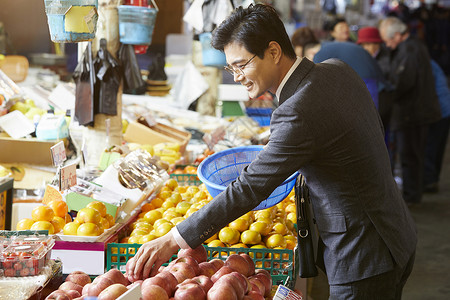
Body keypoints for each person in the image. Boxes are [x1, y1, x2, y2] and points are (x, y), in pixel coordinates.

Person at [127, 5, 417, 299]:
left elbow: (250, 188)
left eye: (241, 65)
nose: (237, 76)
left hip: (364, 257)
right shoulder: (336, 70)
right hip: (394, 230)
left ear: (274, 52)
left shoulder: (298, 109)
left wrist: (173, 239)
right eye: (231, 68)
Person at [379, 17, 441, 205]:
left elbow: (403, 82)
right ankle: (412, 193)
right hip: (414, 112)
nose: (388, 46)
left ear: (397, 35)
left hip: (413, 113)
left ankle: (411, 197)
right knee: (412, 155)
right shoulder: (413, 46)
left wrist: (386, 93)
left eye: (388, 41)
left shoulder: (410, 50)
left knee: (410, 156)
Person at [424, 59, 450, 192]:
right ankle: (433, 180)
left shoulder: (424, 65)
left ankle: (429, 182)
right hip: (445, 109)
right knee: (437, 147)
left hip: (438, 110)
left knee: (430, 146)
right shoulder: (432, 63)